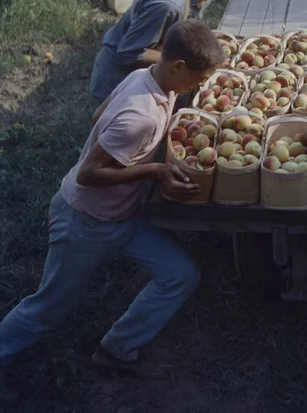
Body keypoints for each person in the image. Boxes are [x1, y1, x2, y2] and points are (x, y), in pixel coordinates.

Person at [0, 20, 226, 403]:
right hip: (85, 222)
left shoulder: (146, 77)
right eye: (199, 79)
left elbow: (96, 118)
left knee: (179, 275)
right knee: (49, 307)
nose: (200, 88)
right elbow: (89, 174)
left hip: (124, 215)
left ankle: (116, 351)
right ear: (178, 67)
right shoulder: (139, 115)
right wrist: (153, 168)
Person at [90, 0, 249, 103]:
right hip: (119, 85)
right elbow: (129, 53)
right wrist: (196, 62)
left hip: (146, 77)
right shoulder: (170, 5)